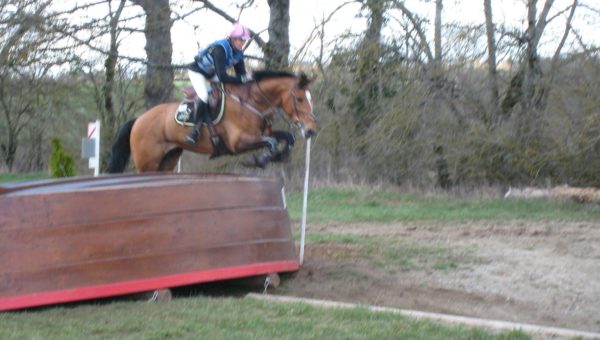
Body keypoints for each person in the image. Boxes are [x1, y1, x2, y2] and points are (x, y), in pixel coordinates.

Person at [185, 22, 252, 144]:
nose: (242, 43)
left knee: (231, 90)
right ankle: (195, 130)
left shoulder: (238, 53)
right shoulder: (220, 49)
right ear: (232, 38)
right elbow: (224, 77)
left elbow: (241, 75)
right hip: (197, 72)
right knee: (204, 96)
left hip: (211, 74)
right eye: (240, 40)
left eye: (244, 40)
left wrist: (250, 81)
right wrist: (243, 79)